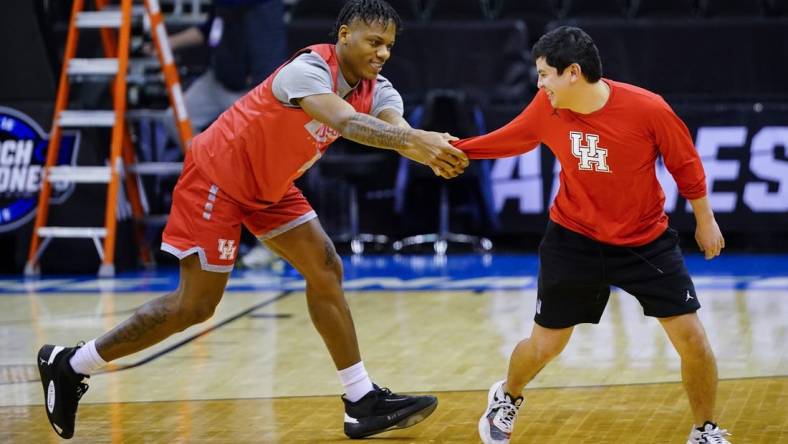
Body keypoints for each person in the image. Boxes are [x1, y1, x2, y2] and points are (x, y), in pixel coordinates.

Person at [36, 0, 468, 440]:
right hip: (217, 177)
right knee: (196, 306)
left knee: (325, 268)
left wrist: (429, 150)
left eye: (389, 46)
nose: (382, 53)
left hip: (271, 186)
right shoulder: (307, 71)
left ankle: (360, 400)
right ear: (344, 36)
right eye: (374, 42)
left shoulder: (378, 87)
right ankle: (71, 363)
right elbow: (348, 122)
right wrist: (417, 141)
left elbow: (394, 127)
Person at [453, 26, 731, 444]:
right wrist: (457, 151)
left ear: (573, 73)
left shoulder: (648, 108)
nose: (539, 83)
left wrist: (705, 220)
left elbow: (685, 163)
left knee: (693, 339)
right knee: (545, 346)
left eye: (545, 73)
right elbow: (511, 139)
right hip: (574, 238)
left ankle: (704, 430)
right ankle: (506, 395)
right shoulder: (547, 108)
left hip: (644, 240)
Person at [162, 0, 288, 269]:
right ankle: (216, 173)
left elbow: (270, 56)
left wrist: (261, 98)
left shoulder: (262, 8)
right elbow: (208, 29)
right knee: (173, 118)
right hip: (217, 80)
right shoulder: (222, 5)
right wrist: (165, 44)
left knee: (258, 168)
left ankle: (267, 244)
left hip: (250, 90)